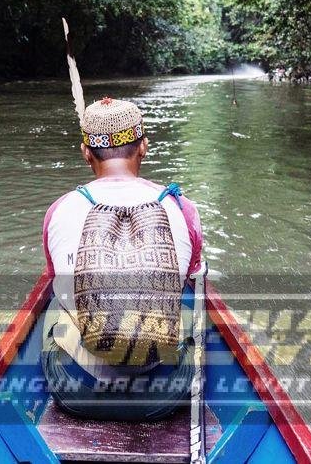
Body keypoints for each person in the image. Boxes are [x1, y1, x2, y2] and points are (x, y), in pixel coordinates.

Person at [40, 96, 203, 420]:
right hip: (162, 396)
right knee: (186, 301)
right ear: (143, 146)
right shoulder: (182, 209)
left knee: (52, 306)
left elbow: (61, 291)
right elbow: (193, 288)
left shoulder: (59, 211)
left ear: (86, 152)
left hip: (77, 392)